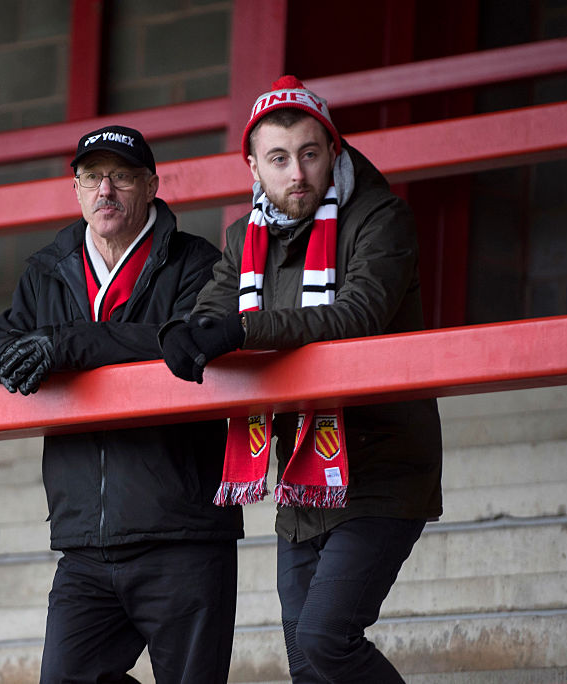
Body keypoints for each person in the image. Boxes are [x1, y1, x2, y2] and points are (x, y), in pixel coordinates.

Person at [160, 76, 443, 683]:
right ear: (254, 168)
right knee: (306, 665)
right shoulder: (244, 238)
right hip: (300, 474)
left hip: (383, 463)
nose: (297, 174)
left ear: (333, 151)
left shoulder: (380, 218)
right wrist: (181, 334)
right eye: (279, 159)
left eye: (310, 154)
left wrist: (241, 332)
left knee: (326, 640)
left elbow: (358, 315)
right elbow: (211, 308)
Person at [0, 124, 244, 684]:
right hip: (85, 544)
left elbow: (176, 341)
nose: (105, 190)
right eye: (92, 177)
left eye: (120, 177)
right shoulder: (48, 268)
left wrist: (65, 344)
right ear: (76, 190)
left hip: (183, 532)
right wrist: (10, 362)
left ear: (150, 186)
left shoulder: (196, 263)